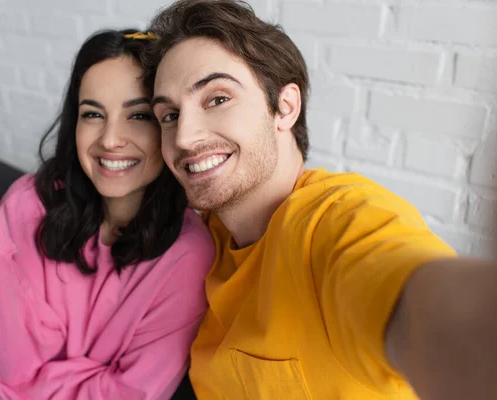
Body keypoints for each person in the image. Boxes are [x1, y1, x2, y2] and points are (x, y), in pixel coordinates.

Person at [144, 1, 497, 399]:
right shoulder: (203, 237)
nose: (185, 137)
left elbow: (427, 318)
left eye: (217, 99)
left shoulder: (338, 219)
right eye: (169, 115)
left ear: (285, 107)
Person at [0, 28, 214, 400]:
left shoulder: (190, 253)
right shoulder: (30, 200)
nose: (109, 139)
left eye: (137, 116)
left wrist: (32, 382)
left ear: (169, 123)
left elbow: (130, 392)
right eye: (93, 114)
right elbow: (6, 364)